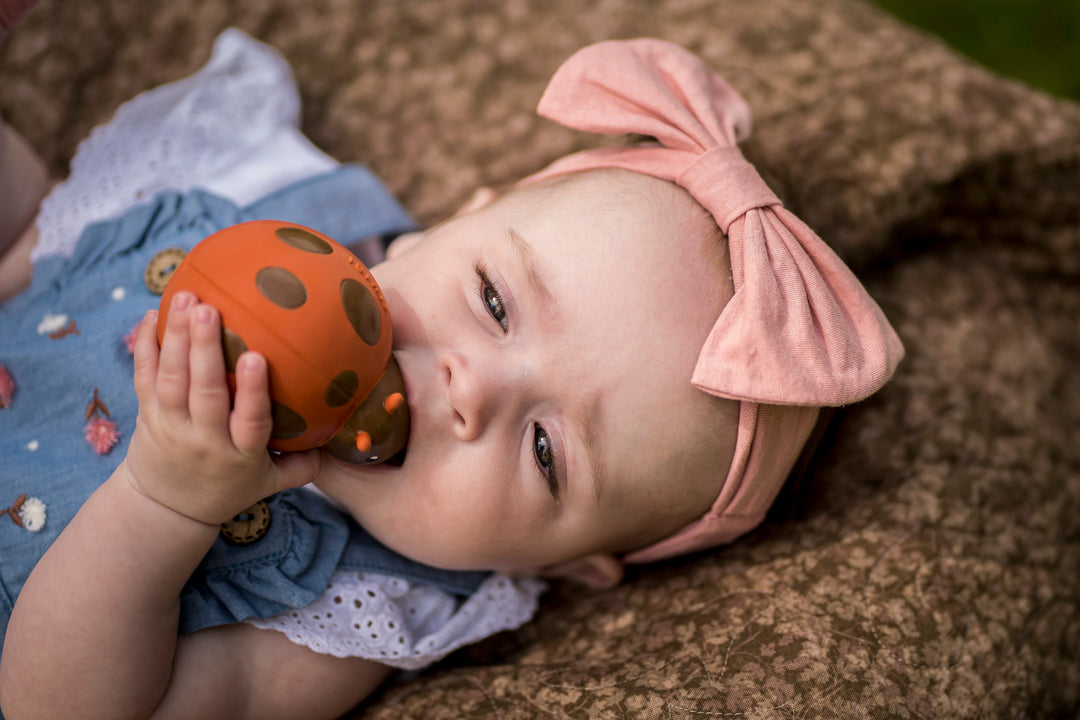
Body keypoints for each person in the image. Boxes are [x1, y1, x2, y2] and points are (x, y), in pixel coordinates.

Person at [0, 16, 903, 720]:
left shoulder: (360, 610)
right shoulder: (284, 197)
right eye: (496, 302)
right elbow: (57, 240)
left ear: (574, 566)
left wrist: (167, 501)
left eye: (547, 451)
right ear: (463, 217)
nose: (471, 389)